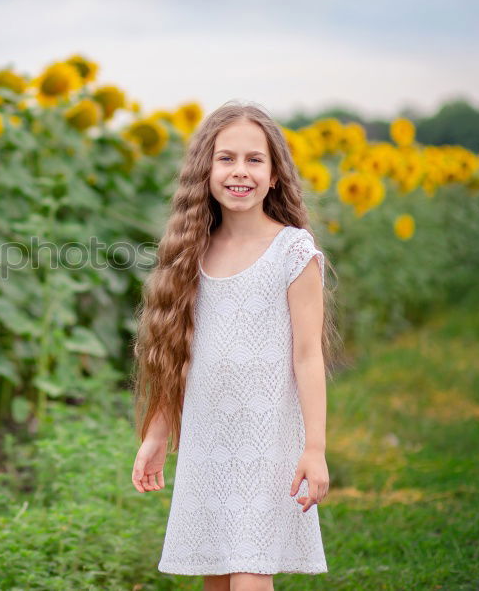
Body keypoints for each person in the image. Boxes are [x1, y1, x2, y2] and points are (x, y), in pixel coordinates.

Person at [129, 99, 339, 590]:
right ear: (205, 170)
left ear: (275, 175)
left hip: (267, 439)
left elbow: (309, 356)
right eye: (225, 158)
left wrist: (315, 448)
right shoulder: (190, 253)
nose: (239, 171)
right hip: (209, 439)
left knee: (249, 573)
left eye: (253, 159)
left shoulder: (293, 252)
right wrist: (158, 435)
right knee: (219, 574)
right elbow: (175, 355)